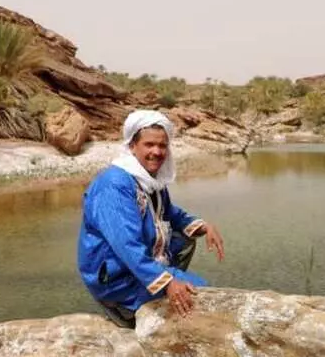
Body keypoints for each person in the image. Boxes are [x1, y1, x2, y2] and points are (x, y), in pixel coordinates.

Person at [77, 110, 225, 328]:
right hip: (117, 277)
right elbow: (127, 245)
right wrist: (166, 282)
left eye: (162, 146)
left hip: (134, 265)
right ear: (132, 146)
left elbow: (170, 213)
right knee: (202, 297)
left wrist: (204, 226)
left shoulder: (149, 180)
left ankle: (161, 280)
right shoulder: (114, 185)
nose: (157, 152)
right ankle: (126, 307)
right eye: (149, 145)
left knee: (184, 238)